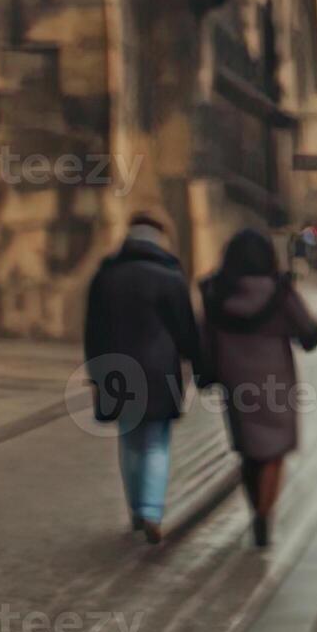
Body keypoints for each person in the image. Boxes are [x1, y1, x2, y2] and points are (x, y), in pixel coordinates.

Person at [83, 212, 203, 544]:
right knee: (156, 443)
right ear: (160, 237)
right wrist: (201, 364)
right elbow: (186, 331)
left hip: (117, 371)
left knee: (130, 440)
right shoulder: (170, 275)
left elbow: (93, 331)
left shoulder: (105, 276)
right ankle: (151, 510)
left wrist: (95, 374)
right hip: (158, 372)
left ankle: (136, 509)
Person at [197, 229, 317, 547]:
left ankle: (256, 508)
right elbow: (307, 331)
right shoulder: (279, 292)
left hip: (235, 380)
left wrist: (207, 370)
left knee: (249, 452)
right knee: (273, 451)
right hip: (275, 380)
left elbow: (204, 337)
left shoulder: (216, 292)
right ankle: (264, 516)